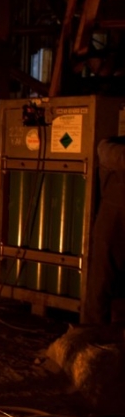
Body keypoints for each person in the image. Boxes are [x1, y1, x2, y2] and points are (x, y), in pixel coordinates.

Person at [83, 136, 125, 326]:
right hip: (114, 221)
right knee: (102, 280)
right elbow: (110, 153)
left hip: (115, 217)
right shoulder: (110, 146)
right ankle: (95, 332)